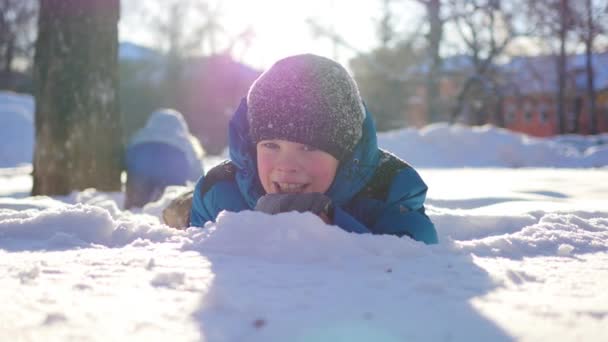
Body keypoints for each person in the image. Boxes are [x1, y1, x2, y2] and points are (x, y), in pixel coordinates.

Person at [187, 54, 437, 244]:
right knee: (179, 212)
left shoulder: (389, 190)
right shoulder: (218, 191)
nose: (286, 166)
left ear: (345, 153)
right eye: (271, 145)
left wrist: (335, 230)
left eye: (307, 147)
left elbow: (414, 262)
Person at [124, 108, 203, 209]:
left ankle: (133, 207)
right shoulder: (183, 141)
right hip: (172, 169)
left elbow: (127, 157)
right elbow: (197, 172)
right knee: (171, 200)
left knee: (135, 203)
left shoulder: (140, 136)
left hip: (141, 166)